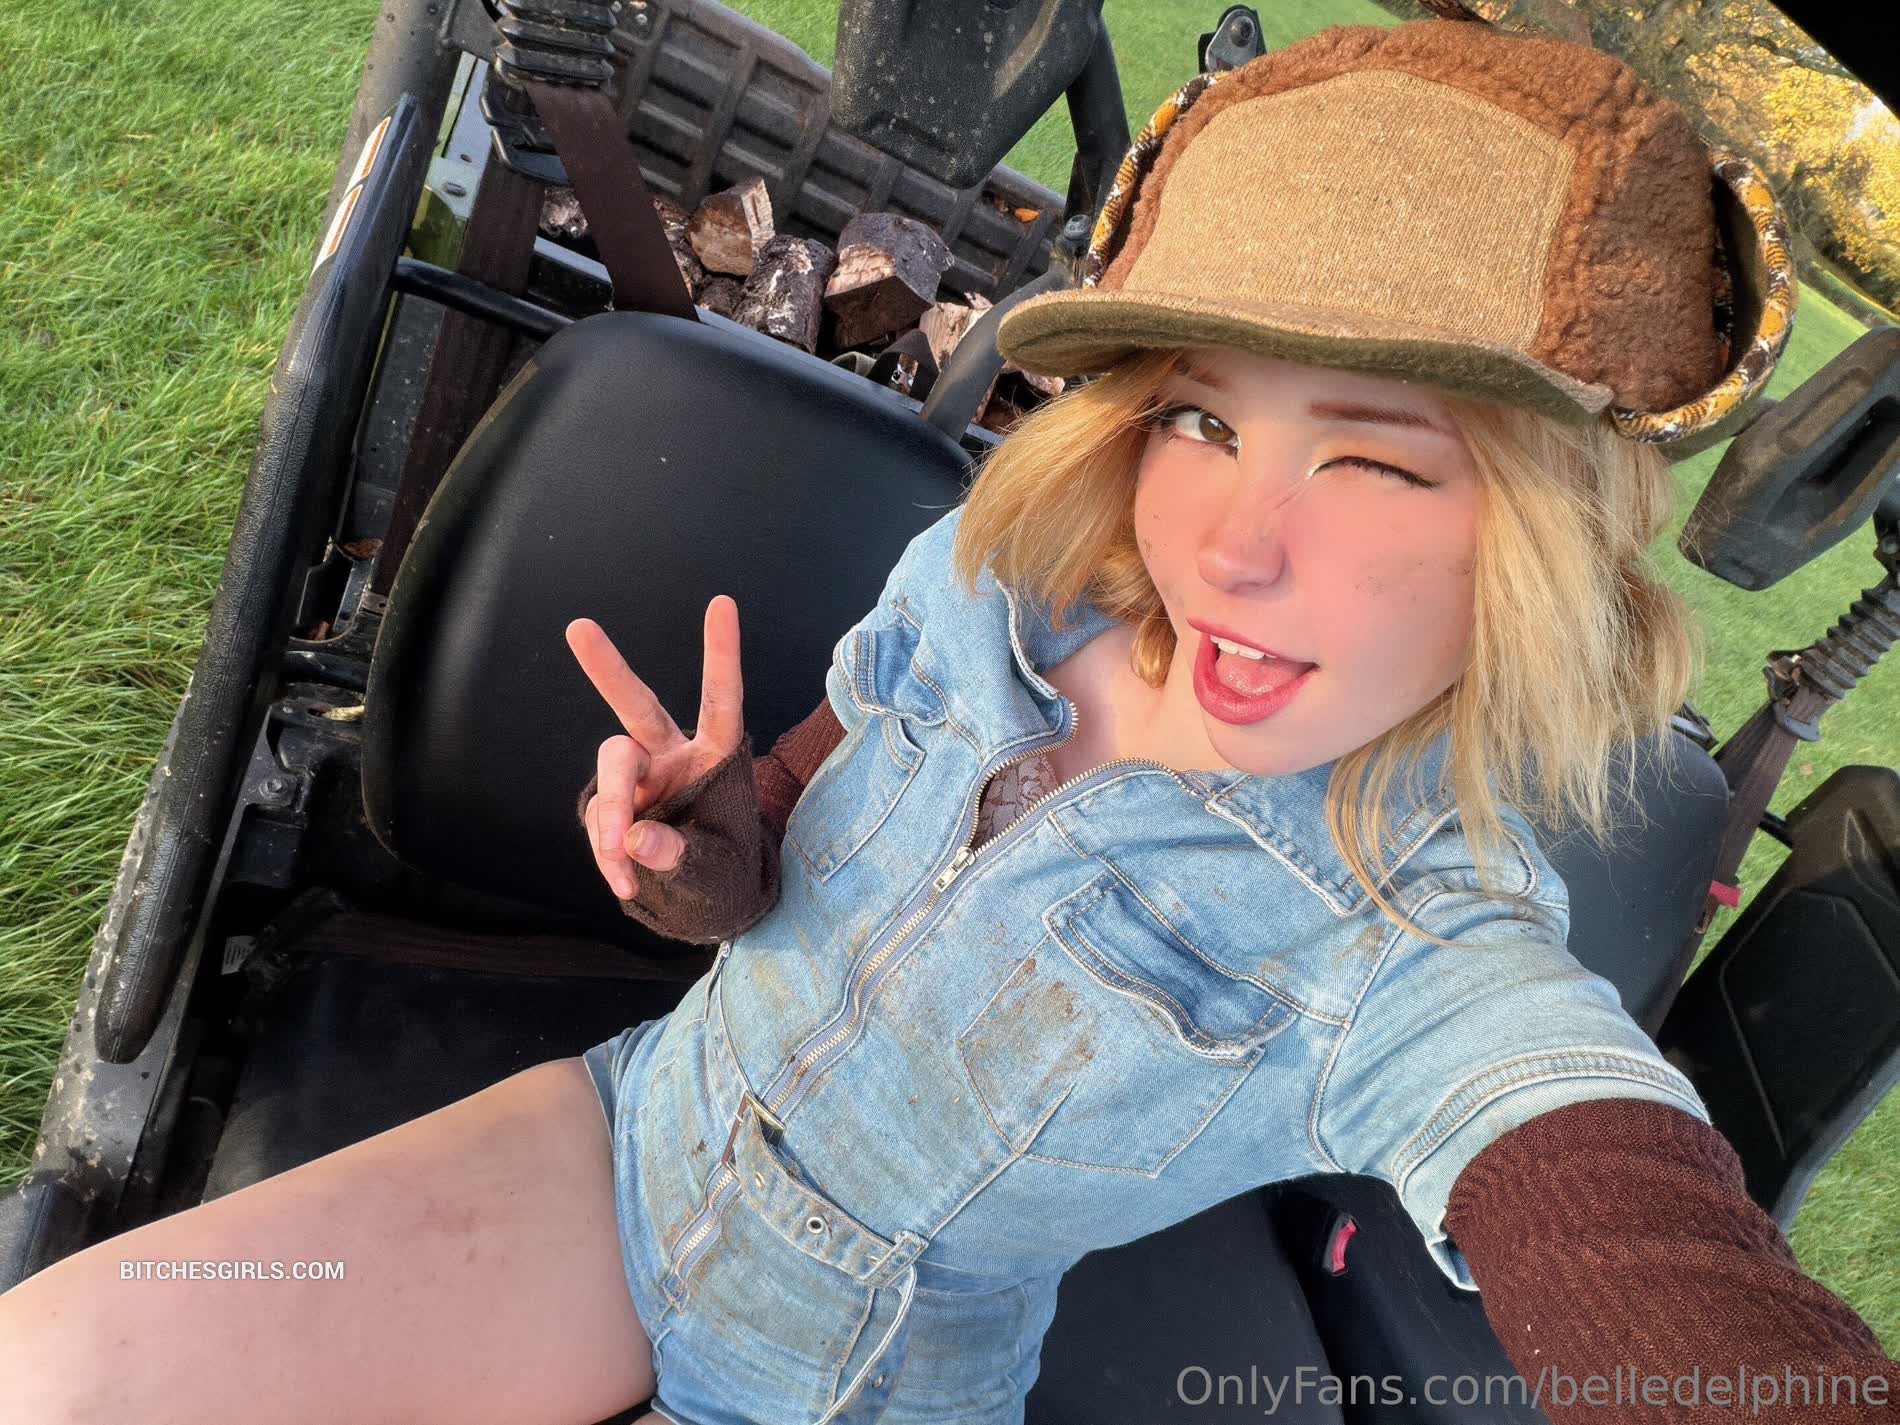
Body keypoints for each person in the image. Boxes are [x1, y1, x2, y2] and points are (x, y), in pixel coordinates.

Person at [0, 16, 1891, 1425]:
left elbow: (1635, 1235)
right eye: (1202, 418)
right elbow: (789, 840)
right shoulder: (996, 585)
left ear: (1541, 542)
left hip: (851, 1382)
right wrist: (712, 856)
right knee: (50, 1372)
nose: (1232, 545)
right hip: (628, 1145)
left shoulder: (1432, 938)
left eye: (1378, 463)